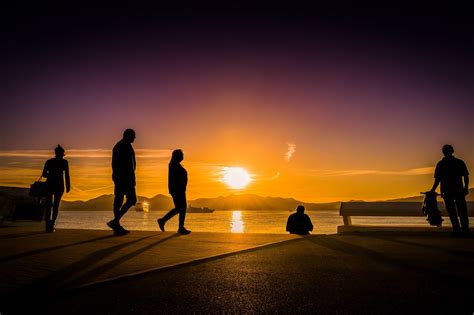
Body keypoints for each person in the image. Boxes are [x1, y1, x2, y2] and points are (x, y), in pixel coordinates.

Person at [431, 144, 470, 237]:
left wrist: (466, 188)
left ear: (451, 151)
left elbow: (465, 176)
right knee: (457, 211)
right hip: (451, 191)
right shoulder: (443, 164)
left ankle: (461, 230)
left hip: (454, 191)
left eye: (446, 151)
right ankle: (460, 230)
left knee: (458, 211)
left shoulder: (455, 163)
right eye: (444, 151)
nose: (445, 152)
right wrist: (432, 190)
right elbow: (437, 180)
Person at [108, 129, 137, 235]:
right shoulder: (122, 146)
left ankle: (116, 224)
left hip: (123, 178)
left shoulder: (124, 145)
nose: (135, 138)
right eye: (133, 136)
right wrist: (129, 179)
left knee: (120, 201)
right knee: (129, 199)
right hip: (124, 178)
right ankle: (116, 223)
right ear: (128, 135)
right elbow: (124, 165)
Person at [157, 149, 191, 234]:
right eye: (181, 154)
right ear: (177, 156)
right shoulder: (174, 165)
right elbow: (175, 178)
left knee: (179, 208)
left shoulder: (175, 165)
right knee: (182, 208)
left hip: (179, 189)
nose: (183, 156)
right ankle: (180, 227)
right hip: (177, 190)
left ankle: (163, 221)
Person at [42, 145, 70, 233]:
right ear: (62, 154)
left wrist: (50, 174)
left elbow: (44, 174)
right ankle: (52, 223)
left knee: (48, 205)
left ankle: (48, 225)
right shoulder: (64, 162)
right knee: (56, 205)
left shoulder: (49, 162)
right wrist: (68, 186)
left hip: (49, 184)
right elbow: (67, 175)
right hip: (59, 185)